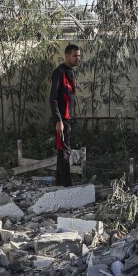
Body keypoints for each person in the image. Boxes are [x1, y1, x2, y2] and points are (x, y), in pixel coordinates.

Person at [50, 44, 81, 186]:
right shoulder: (60, 72)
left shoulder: (71, 72)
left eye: (79, 55)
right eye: (75, 55)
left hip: (69, 118)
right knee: (65, 151)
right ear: (67, 56)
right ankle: (67, 185)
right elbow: (53, 98)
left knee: (63, 150)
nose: (78, 58)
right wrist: (58, 120)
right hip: (62, 120)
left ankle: (59, 181)